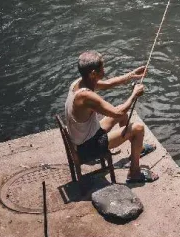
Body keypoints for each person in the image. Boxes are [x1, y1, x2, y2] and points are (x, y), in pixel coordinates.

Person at [65, 50, 158, 183]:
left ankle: (139, 148)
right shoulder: (85, 96)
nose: (105, 70)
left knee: (122, 109)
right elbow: (117, 114)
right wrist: (134, 94)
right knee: (138, 128)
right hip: (88, 147)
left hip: (85, 136)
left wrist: (132, 75)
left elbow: (109, 84)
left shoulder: (79, 82)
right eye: (102, 68)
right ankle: (134, 173)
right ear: (93, 74)